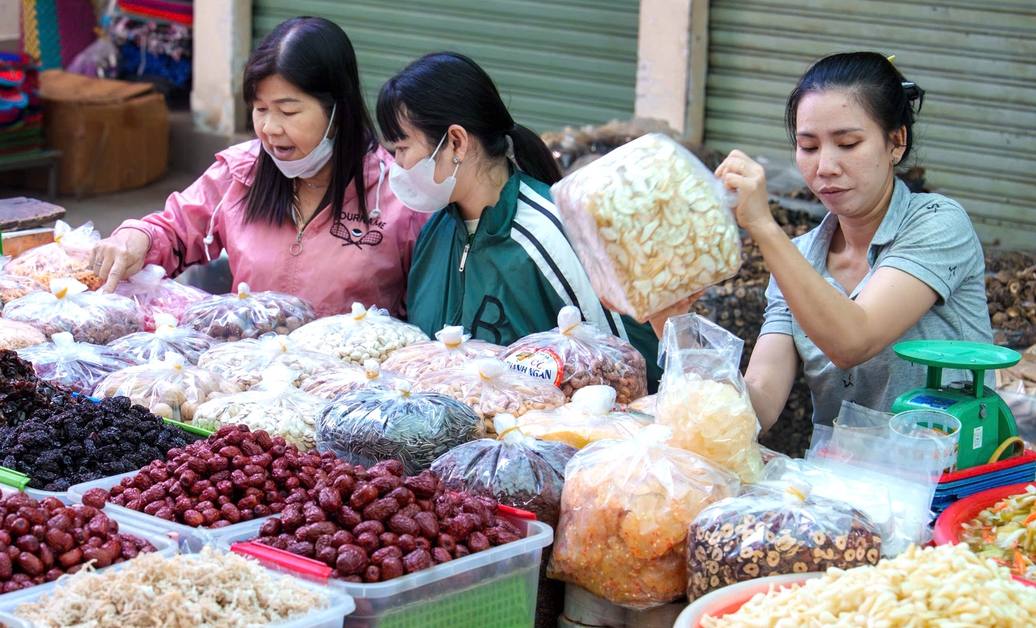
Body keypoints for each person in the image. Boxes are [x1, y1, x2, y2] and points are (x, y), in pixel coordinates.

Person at [377, 52, 681, 391]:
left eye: (401, 148)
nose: (396, 165)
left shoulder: (553, 233)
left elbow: (631, 375)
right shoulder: (436, 231)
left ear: (456, 142)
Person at [718, 52, 992, 428]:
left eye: (847, 144)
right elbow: (758, 409)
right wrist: (670, 317)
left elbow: (853, 341)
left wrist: (763, 226)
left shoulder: (939, 224)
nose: (825, 167)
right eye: (809, 147)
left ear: (896, 142)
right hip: (842, 480)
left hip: (945, 480)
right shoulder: (799, 258)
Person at [89, 17, 425, 318]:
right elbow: (174, 230)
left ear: (339, 109)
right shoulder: (240, 172)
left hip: (346, 380)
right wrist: (137, 237)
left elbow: (427, 316)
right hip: (249, 374)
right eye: (260, 109)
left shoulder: (398, 195)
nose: (270, 128)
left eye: (288, 111)